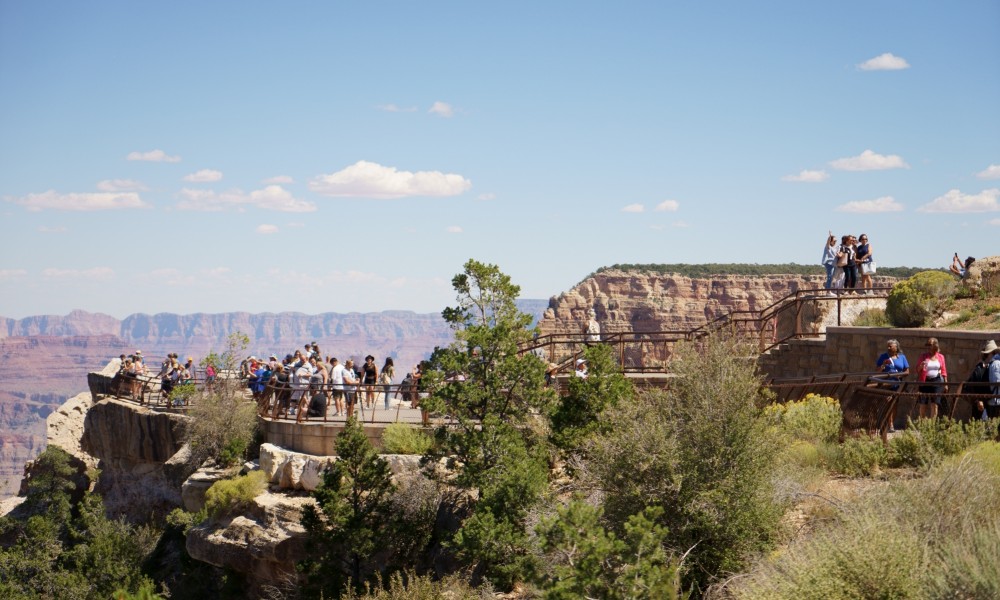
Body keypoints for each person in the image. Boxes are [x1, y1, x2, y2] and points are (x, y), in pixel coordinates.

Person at [876, 339, 909, 432]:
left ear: (896, 347)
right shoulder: (883, 357)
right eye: (888, 346)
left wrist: (900, 375)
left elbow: (907, 371)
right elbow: (878, 371)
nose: (888, 348)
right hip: (887, 384)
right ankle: (890, 425)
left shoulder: (902, 357)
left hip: (897, 384)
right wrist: (883, 365)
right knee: (888, 402)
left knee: (894, 404)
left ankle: (891, 423)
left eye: (890, 346)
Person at [917, 337, 948, 419]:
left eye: (930, 345)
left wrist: (945, 384)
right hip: (925, 381)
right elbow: (917, 370)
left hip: (936, 381)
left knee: (935, 405)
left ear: (935, 345)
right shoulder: (923, 356)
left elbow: (944, 371)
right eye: (927, 345)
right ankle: (922, 423)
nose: (928, 347)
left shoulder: (940, 357)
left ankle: (932, 424)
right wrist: (921, 366)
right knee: (923, 404)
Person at [966, 340, 996, 420]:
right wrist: (978, 400)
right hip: (980, 405)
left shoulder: (993, 367)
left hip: (991, 404)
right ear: (989, 354)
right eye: (994, 353)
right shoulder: (979, 369)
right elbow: (971, 386)